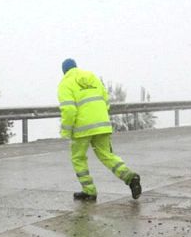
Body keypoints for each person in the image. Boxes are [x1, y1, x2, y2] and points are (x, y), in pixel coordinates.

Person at [57, 58, 141, 202]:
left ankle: (89, 191)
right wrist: (98, 118)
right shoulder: (93, 77)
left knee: (79, 158)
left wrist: (66, 131)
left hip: (81, 128)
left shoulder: (65, 83)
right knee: (106, 155)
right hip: (102, 124)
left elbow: (69, 110)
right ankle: (130, 177)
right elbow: (106, 101)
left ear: (64, 71)